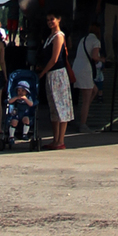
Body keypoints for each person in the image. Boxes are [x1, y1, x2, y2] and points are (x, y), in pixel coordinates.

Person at [38, 12, 73, 150]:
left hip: (58, 74)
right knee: (54, 107)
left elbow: (54, 59)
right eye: (48, 20)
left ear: (59, 19)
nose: (50, 22)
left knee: (61, 107)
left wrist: (43, 72)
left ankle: (60, 140)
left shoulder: (59, 36)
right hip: (51, 74)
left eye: (52, 19)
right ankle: (55, 139)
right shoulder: (49, 37)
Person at [70, 19, 103, 131]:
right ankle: (83, 123)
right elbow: (94, 57)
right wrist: (103, 59)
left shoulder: (83, 39)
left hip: (76, 67)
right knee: (86, 98)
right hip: (85, 70)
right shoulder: (96, 42)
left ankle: (84, 112)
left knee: (94, 90)